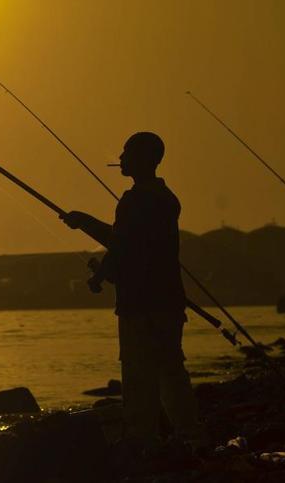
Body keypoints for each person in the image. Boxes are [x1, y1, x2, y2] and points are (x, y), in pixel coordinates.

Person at [61, 132, 203, 453]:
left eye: (126, 152)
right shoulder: (166, 198)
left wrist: (100, 275)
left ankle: (142, 438)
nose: (121, 158)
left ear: (142, 158)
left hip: (140, 303)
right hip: (168, 300)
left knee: (138, 370)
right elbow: (127, 240)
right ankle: (188, 433)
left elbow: (122, 245)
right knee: (170, 369)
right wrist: (84, 222)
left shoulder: (135, 200)